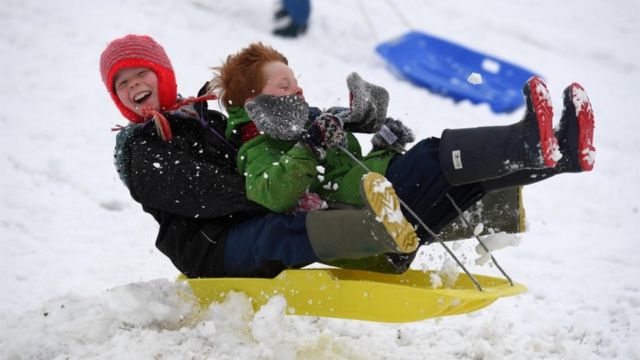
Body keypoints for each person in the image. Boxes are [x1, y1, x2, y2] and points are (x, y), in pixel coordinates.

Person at [101, 35, 595, 279]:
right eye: (122, 83)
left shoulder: (205, 117)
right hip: (211, 246)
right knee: (285, 227)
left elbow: (281, 139)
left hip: (262, 204)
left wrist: (357, 132)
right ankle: (384, 235)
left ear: (160, 75)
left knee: (418, 167)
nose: (133, 86)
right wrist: (293, 186)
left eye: (139, 74)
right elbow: (207, 192)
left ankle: (552, 152)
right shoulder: (141, 150)